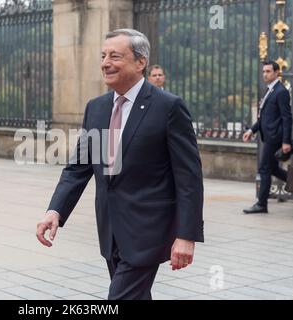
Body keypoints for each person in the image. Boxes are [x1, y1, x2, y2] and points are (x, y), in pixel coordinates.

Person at [36, 29, 204, 300]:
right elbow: (78, 168)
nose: (105, 62)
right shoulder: (97, 108)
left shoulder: (168, 107)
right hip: (111, 230)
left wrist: (187, 235)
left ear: (141, 62)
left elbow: (189, 177)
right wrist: (55, 210)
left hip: (149, 231)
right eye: (103, 56)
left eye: (115, 56)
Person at [242, 61, 293, 214]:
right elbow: (264, 117)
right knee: (273, 169)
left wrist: (286, 141)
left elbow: (287, 118)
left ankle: (261, 204)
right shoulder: (270, 90)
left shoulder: (281, 91)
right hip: (269, 136)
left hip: (275, 138)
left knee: (264, 169)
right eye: (264, 71)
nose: (265, 74)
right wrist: (252, 130)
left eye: (268, 71)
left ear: (277, 72)